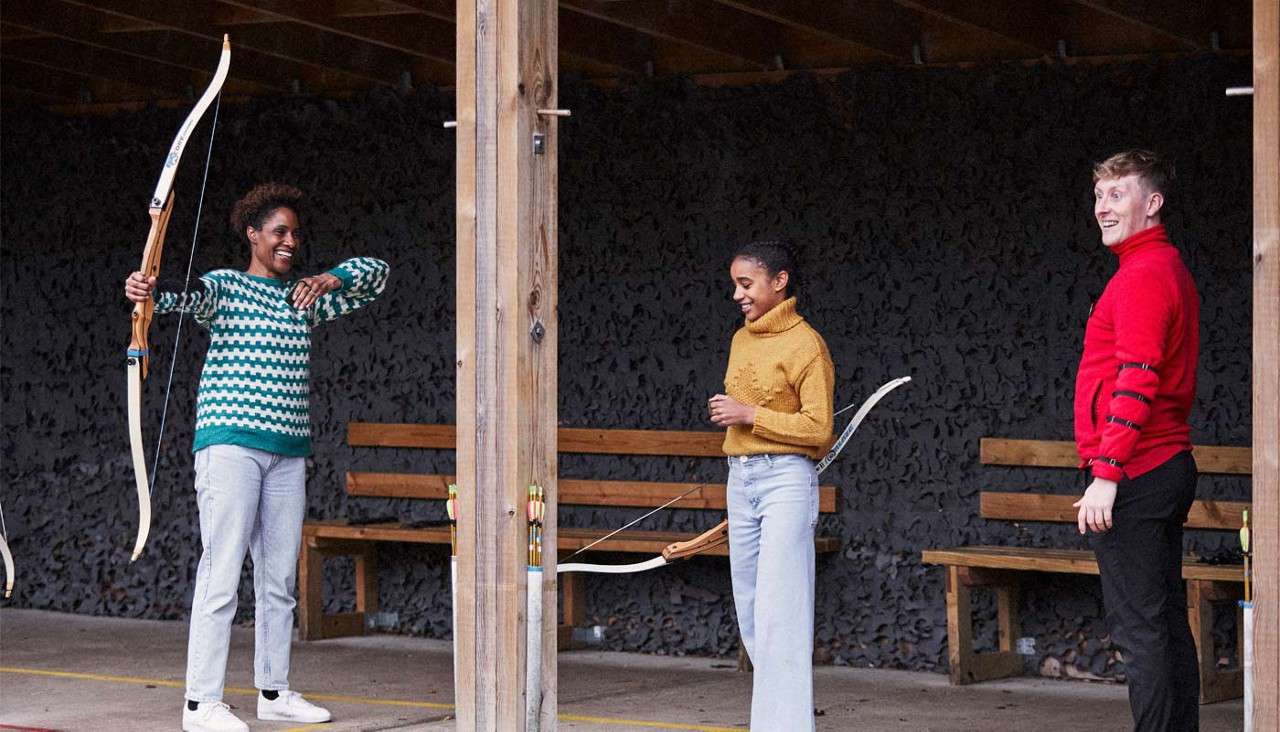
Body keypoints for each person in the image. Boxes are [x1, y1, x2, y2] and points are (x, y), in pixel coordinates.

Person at [124, 183, 390, 732]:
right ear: (252, 235)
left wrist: (329, 278)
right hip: (231, 448)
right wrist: (144, 290)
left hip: (287, 453)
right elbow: (178, 298)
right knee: (221, 571)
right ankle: (200, 703)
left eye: (294, 233)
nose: (289, 241)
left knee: (277, 582)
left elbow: (378, 273)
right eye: (278, 232)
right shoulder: (227, 287)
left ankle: (274, 691)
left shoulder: (304, 297)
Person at [1071, 150, 1200, 731]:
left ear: (1153, 204)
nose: (1103, 207)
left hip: (1138, 473)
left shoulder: (1146, 274)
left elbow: (1139, 376)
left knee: (1140, 633)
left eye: (1118, 194)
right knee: (1166, 624)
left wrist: (1105, 473)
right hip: (1160, 466)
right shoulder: (1154, 267)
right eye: (1099, 195)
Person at [708, 240, 834, 731]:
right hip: (741, 479)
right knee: (753, 611)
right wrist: (735, 416)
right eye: (734, 285)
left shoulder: (808, 345)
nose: (737, 294)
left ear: (778, 281)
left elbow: (820, 430)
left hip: (786, 479)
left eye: (746, 284)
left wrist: (748, 414)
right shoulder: (742, 338)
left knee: (783, 610)